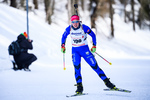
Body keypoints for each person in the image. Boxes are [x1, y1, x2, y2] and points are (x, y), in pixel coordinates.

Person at [61, 15, 116, 94]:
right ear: (71, 22)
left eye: (76, 22)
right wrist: (62, 45)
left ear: (79, 22)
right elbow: (63, 36)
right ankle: (79, 87)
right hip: (75, 51)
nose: (75, 24)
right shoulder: (69, 28)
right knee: (77, 69)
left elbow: (93, 35)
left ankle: (108, 83)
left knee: (95, 66)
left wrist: (94, 45)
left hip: (85, 50)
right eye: (73, 22)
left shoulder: (84, 27)